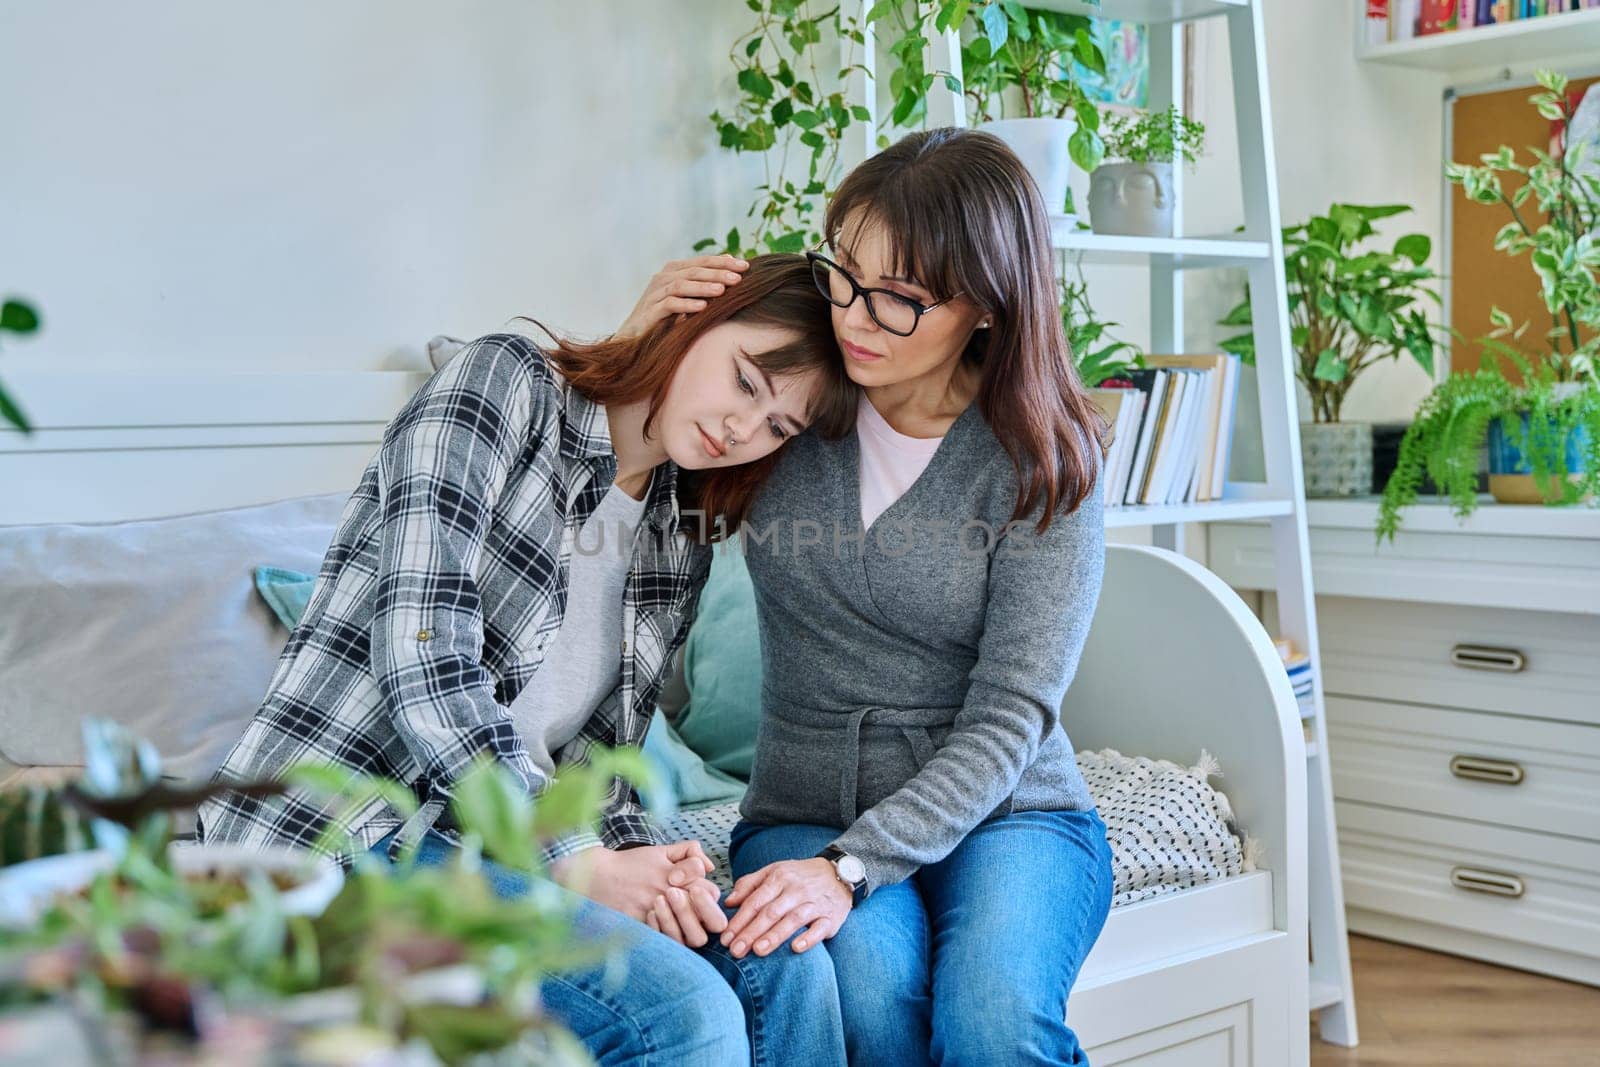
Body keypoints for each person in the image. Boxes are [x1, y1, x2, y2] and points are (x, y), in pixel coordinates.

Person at [196, 254, 856, 1065]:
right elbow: (423, 657)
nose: (742, 429)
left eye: (778, 426)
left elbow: (592, 763)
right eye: (746, 381)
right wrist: (575, 862)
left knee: (781, 965)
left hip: (502, 845)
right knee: (683, 1014)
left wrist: (646, 869)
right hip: (349, 832)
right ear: (692, 319)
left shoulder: (674, 528)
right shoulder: (502, 382)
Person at [628, 128, 1115, 1065]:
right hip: (805, 807)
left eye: (897, 298)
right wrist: (653, 339)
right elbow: (628, 482)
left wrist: (852, 869)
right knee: (872, 1001)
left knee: (993, 1020)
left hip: (1010, 814)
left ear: (984, 306)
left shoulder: (1045, 463)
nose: (853, 316)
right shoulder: (791, 410)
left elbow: (1013, 712)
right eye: (842, 272)